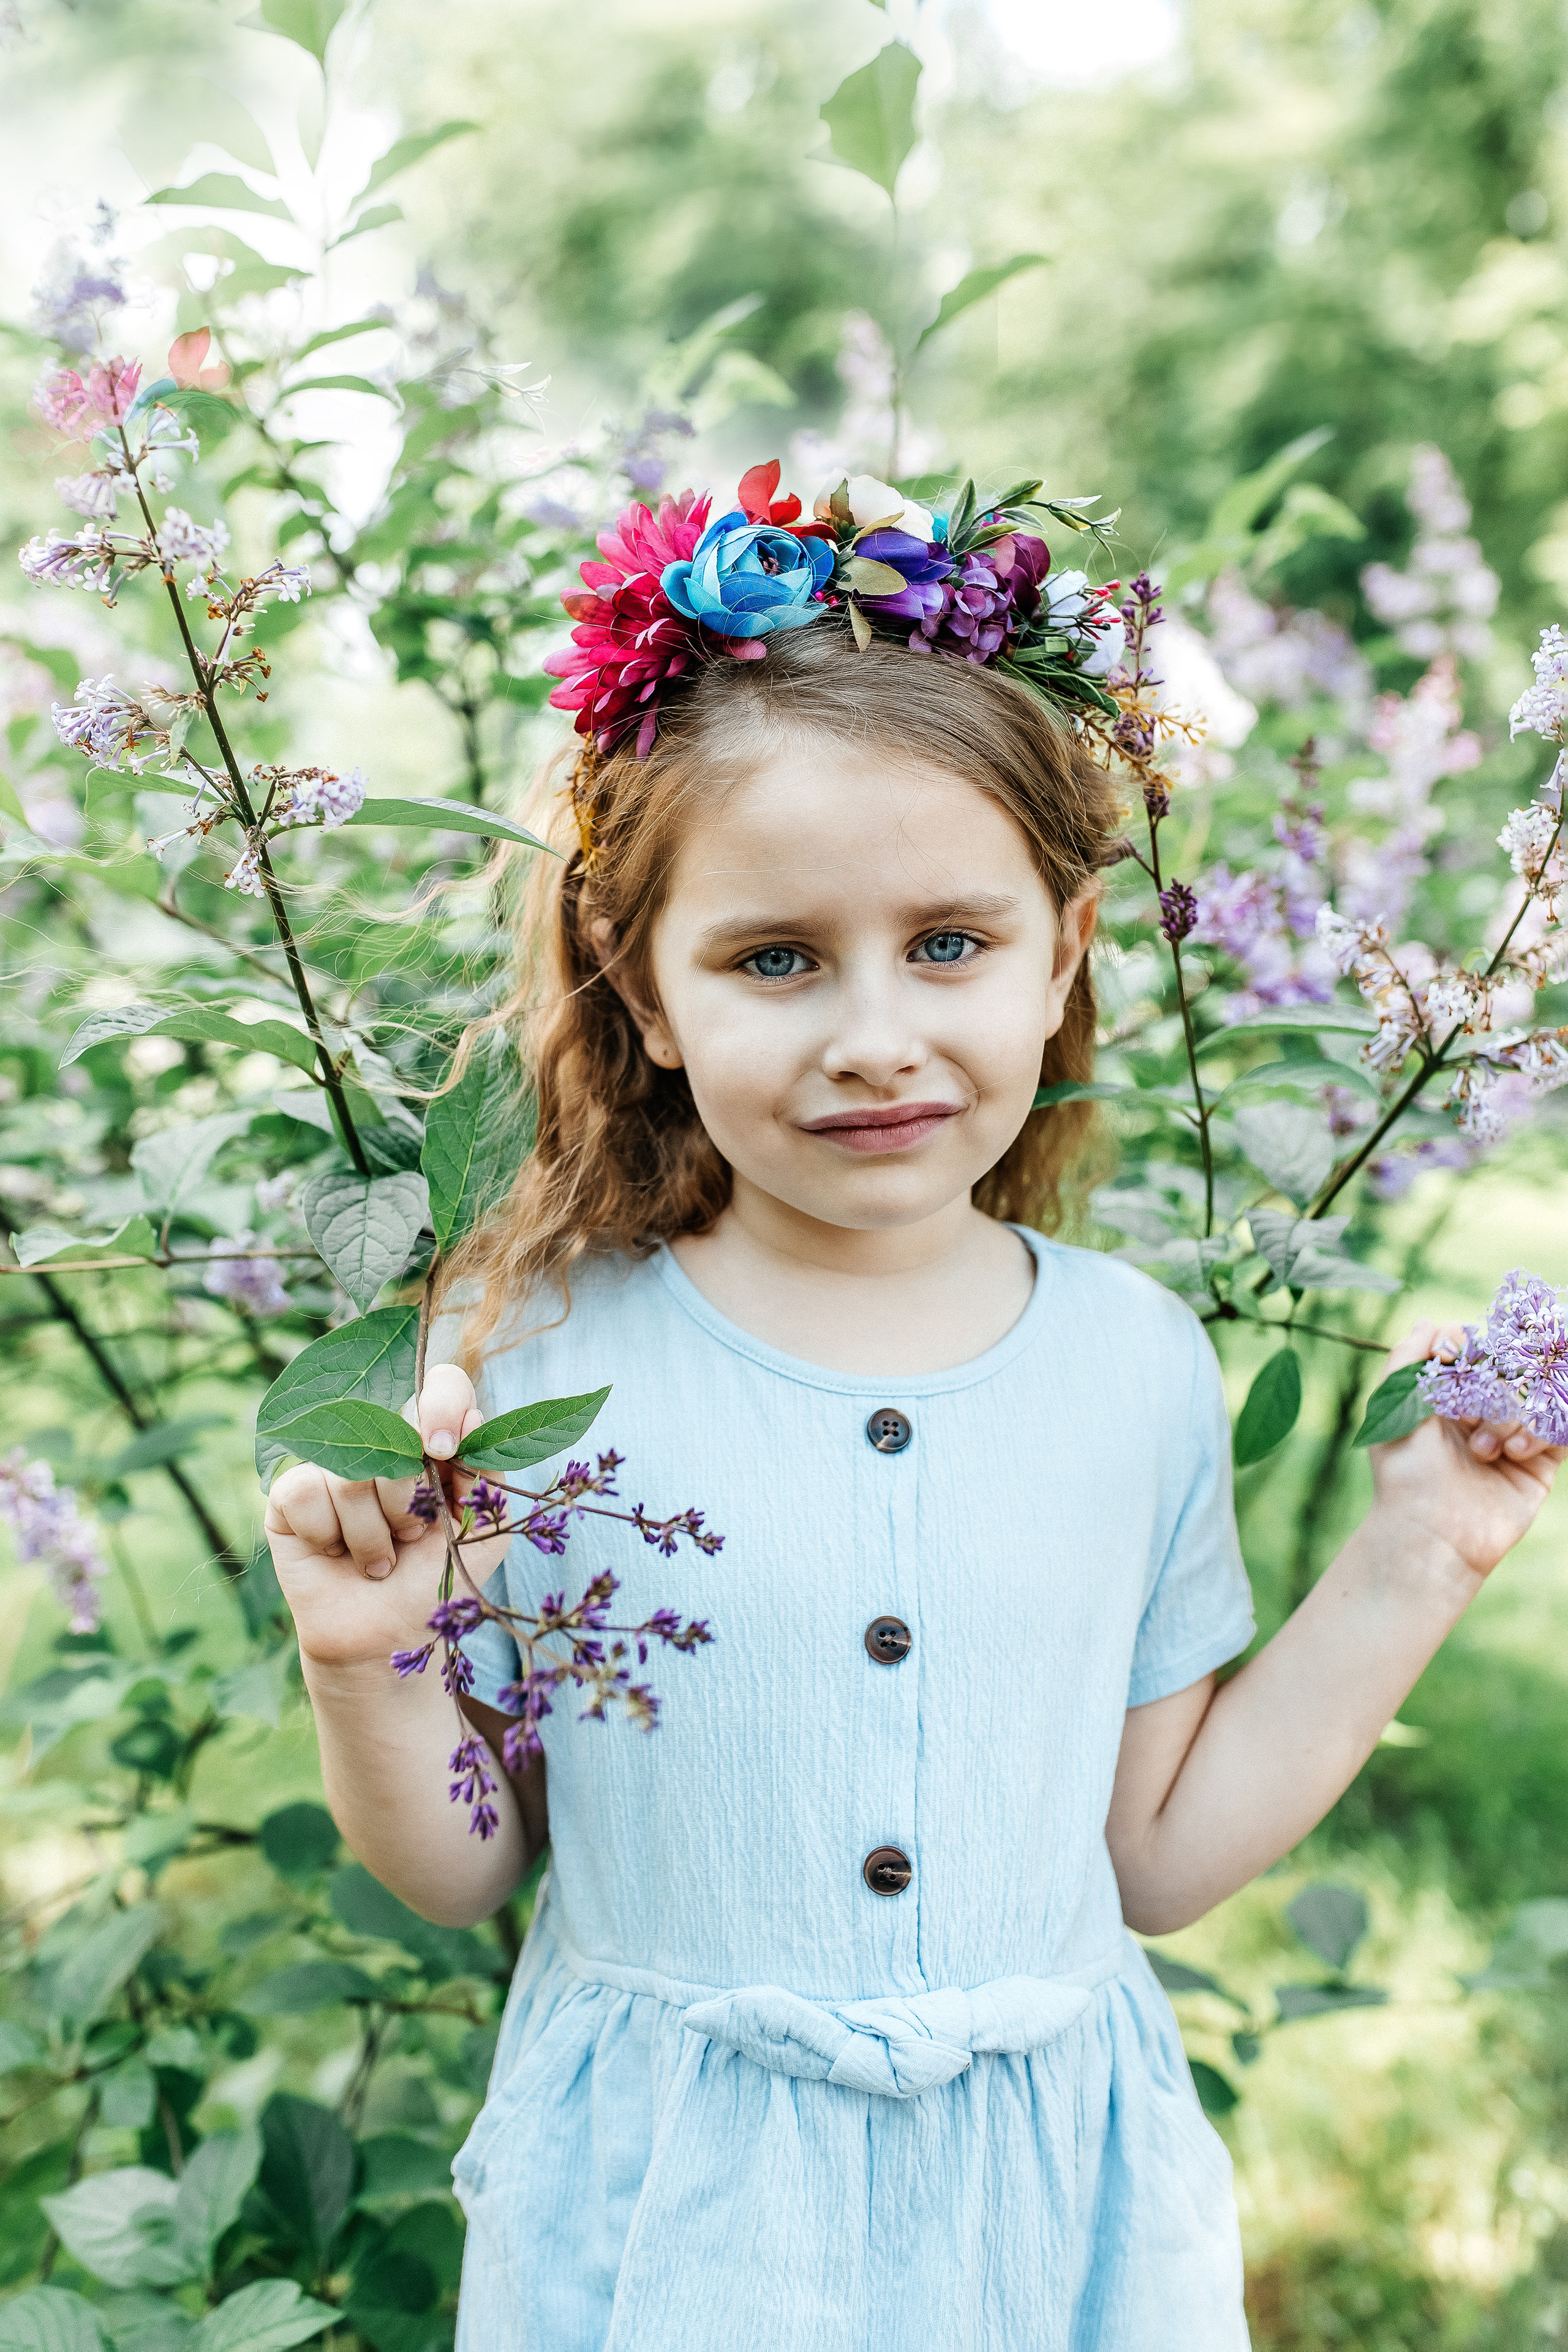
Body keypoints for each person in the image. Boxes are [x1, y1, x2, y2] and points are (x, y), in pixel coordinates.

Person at [265, 467, 1562, 2350]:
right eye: (776, 960)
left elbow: (1157, 1862)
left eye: (949, 943)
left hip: (1044, 2221)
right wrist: (371, 1663)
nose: (875, 1034)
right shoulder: (532, 1360)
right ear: (641, 991)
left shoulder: (1130, 1362)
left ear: (1068, 952)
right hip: (673, 2223)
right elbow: (463, 1862)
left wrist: (1425, 1549)